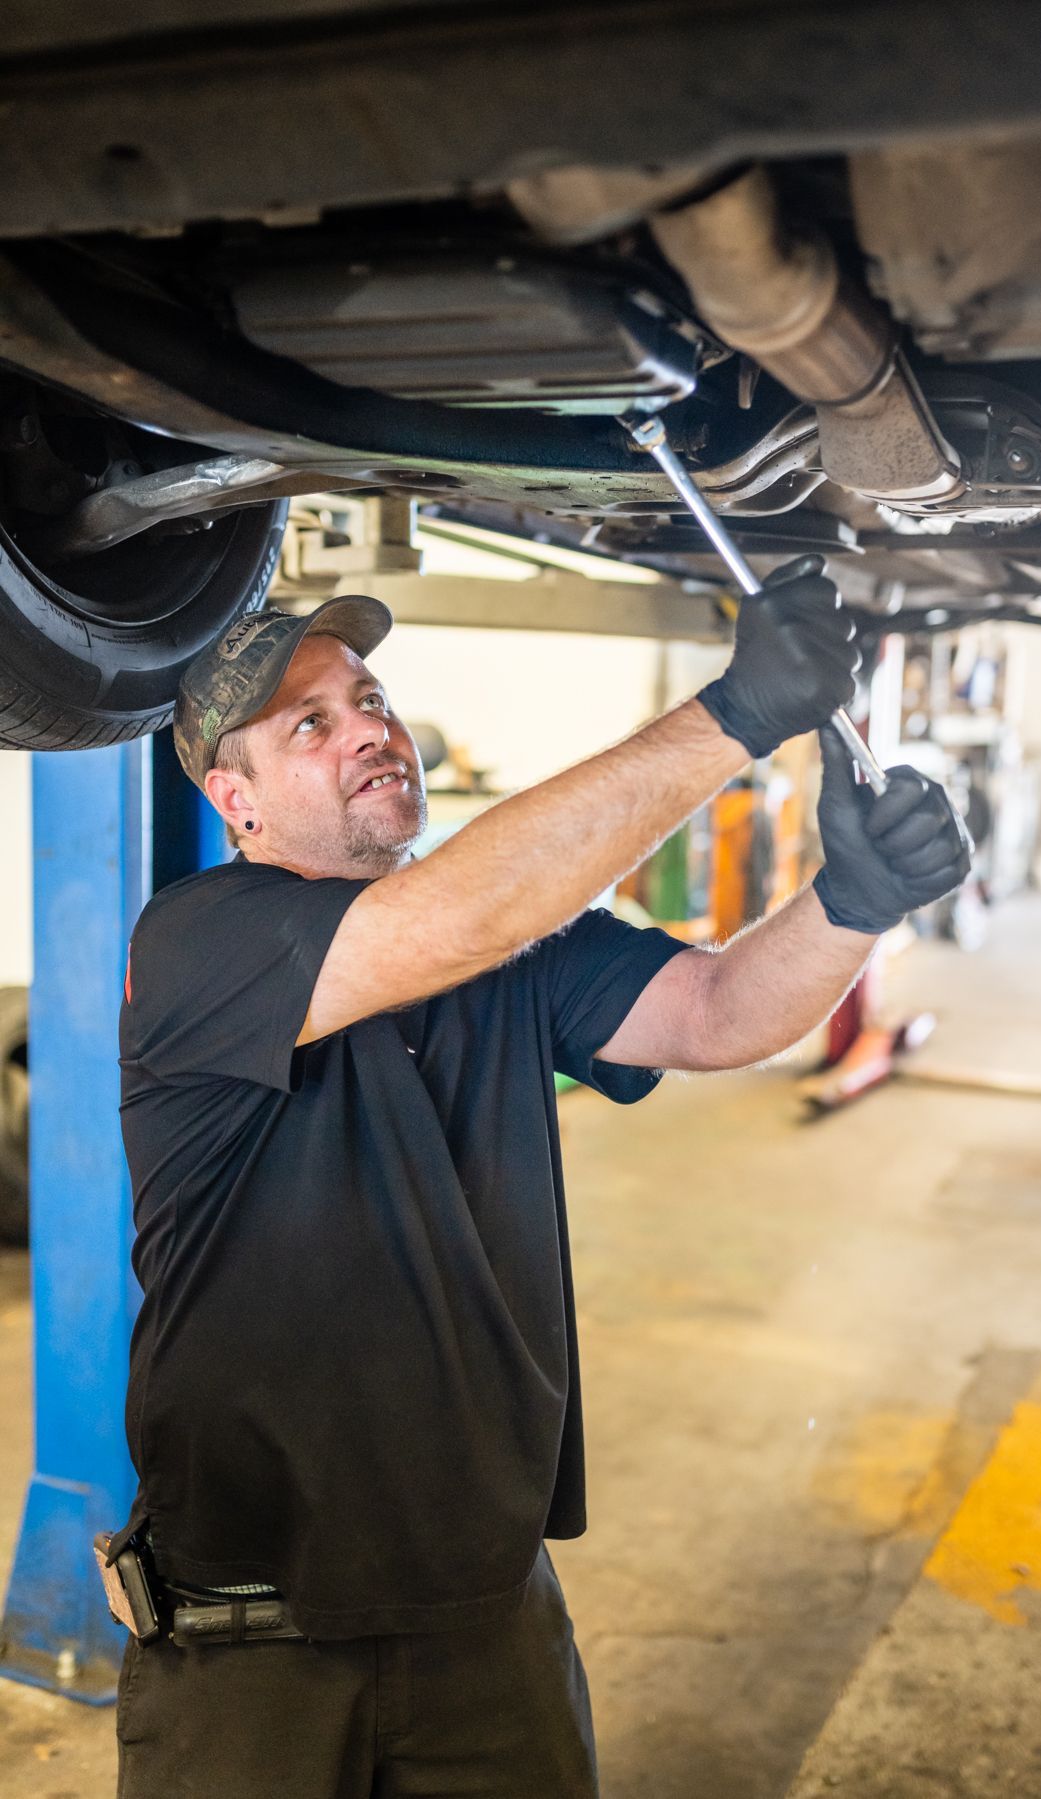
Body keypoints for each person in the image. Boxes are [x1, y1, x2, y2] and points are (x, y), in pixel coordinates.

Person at [112, 562, 970, 1798]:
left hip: (487, 1623)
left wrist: (856, 900)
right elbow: (451, 919)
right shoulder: (198, 939)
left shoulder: (510, 944)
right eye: (313, 721)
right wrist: (731, 714)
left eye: (372, 698)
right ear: (232, 797)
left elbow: (719, 1011)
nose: (371, 729)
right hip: (252, 1649)